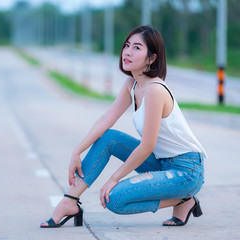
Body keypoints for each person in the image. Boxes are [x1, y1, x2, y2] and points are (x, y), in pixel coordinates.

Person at [40, 25, 207, 228]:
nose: (127, 52)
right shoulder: (132, 84)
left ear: (151, 58)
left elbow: (146, 146)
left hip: (186, 171)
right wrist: (77, 151)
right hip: (162, 163)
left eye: (137, 48)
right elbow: (106, 120)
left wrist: (114, 178)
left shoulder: (155, 91)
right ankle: (69, 201)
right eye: (127, 45)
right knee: (109, 137)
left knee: (115, 198)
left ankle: (183, 200)